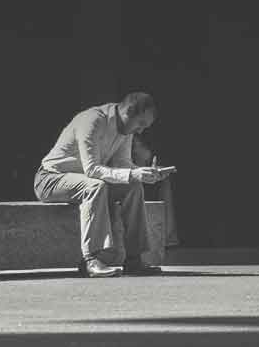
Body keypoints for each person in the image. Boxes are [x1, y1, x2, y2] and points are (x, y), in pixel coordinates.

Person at [34, 92, 172, 277]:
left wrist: (144, 174)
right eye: (140, 124)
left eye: (144, 127)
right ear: (128, 112)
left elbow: (123, 164)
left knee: (133, 187)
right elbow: (91, 169)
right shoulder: (92, 120)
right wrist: (132, 173)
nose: (140, 131)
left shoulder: (126, 129)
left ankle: (134, 259)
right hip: (51, 179)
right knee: (95, 186)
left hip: (84, 181)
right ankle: (90, 260)